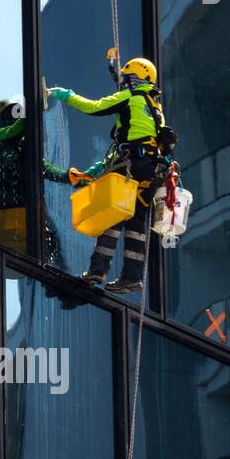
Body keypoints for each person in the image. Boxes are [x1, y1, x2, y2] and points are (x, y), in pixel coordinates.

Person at [48, 56, 174, 294]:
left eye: (126, 80)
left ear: (134, 79)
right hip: (152, 171)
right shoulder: (154, 105)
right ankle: (132, 277)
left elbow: (94, 107)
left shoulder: (130, 97)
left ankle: (97, 271)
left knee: (113, 213)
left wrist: (65, 95)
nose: (123, 84)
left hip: (133, 165)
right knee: (136, 222)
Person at [0, 98, 70, 268]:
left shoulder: (22, 147)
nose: (15, 119)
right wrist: (33, 111)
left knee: (49, 233)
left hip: (19, 202)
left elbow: (42, 166)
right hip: (1, 199)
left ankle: (57, 273)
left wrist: (68, 176)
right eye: (12, 114)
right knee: (42, 225)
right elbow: (16, 129)